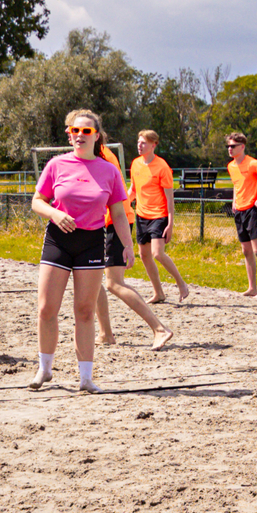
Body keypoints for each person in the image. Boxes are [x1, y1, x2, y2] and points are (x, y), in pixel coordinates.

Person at [30, 109, 135, 391]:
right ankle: (45, 369)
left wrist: (128, 246)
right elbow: (36, 201)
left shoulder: (109, 170)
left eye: (85, 131)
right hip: (58, 239)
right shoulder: (56, 164)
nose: (78, 135)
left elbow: (120, 213)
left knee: (85, 311)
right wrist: (54, 213)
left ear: (96, 136)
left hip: (91, 241)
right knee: (46, 308)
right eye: (74, 131)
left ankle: (86, 378)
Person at [95, 140, 174, 353]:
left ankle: (159, 328)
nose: (72, 134)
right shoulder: (95, 153)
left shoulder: (102, 155)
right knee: (91, 279)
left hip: (115, 221)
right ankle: (105, 333)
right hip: (101, 222)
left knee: (114, 283)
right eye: (71, 130)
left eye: (79, 129)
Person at [129, 129, 187, 303]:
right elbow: (133, 189)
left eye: (144, 142)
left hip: (159, 216)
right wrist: (121, 203)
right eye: (138, 142)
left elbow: (170, 199)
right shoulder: (135, 164)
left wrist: (170, 224)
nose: (140, 145)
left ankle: (181, 283)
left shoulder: (162, 167)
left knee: (157, 254)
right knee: (144, 254)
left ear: (154, 145)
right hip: (141, 215)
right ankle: (158, 293)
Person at [225, 130, 257, 299]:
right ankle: (252, 288)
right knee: (246, 250)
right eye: (228, 146)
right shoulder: (231, 166)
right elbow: (236, 185)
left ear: (242, 146)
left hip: (253, 211)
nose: (230, 149)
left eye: (233, 146)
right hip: (239, 211)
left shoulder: (254, 164)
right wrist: (234, 201)